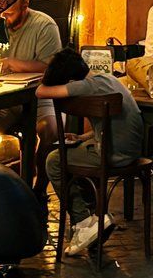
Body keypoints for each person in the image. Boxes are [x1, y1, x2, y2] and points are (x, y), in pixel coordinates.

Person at [40, 47, 144, 256]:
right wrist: (83, 137)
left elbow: (40, 91)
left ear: (71, 81)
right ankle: (97, 219)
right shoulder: (108, 78)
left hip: (111, 155)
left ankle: (83, 222)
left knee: (53, 160)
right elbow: (113, 125)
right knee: (78, 153)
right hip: (130, 150)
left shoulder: (85, 86)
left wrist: (51, 80)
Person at [0, 0, 62, 201]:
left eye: (10, 13)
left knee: (51, 131)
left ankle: (37, 190)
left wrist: (14, 64)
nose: (4, 17)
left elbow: (52, 67)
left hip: (41, 96)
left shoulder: (44, 26)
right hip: (3, 97)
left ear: (25, 6)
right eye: (1, 12)